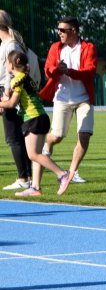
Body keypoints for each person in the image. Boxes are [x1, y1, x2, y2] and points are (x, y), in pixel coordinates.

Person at [0, 50, 71, 196]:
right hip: (41, 116)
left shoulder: (17, 80)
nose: (5, 64)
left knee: (33, 154)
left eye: (7, 62)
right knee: (37, 154)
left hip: (33, 118)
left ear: (13, 64)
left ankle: (62, 174)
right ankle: (35, 188)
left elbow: (12, 103)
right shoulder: (27, 77)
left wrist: (2, 103)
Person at [39, 16, 97, 186]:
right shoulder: (55, 48)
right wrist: (58, 70)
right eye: (58, 29)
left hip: (84, 99)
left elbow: (90, 71)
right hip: (62, 98)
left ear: (74, 31)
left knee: (84, 135)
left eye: (63, 30)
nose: (59, 33)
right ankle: (47, 144)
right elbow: (48, 70)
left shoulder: (88, 48)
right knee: (57, 136)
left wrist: (70, 71)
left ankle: (72, 173)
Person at [0, 9, 35, 191]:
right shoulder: (5, 44)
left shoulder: (10, 45)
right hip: (6, 90)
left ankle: (23, 177)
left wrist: (5, 95)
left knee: (13, 137)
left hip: (10, 91)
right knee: (15, 137)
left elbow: (11, 73)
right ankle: (26, 176)